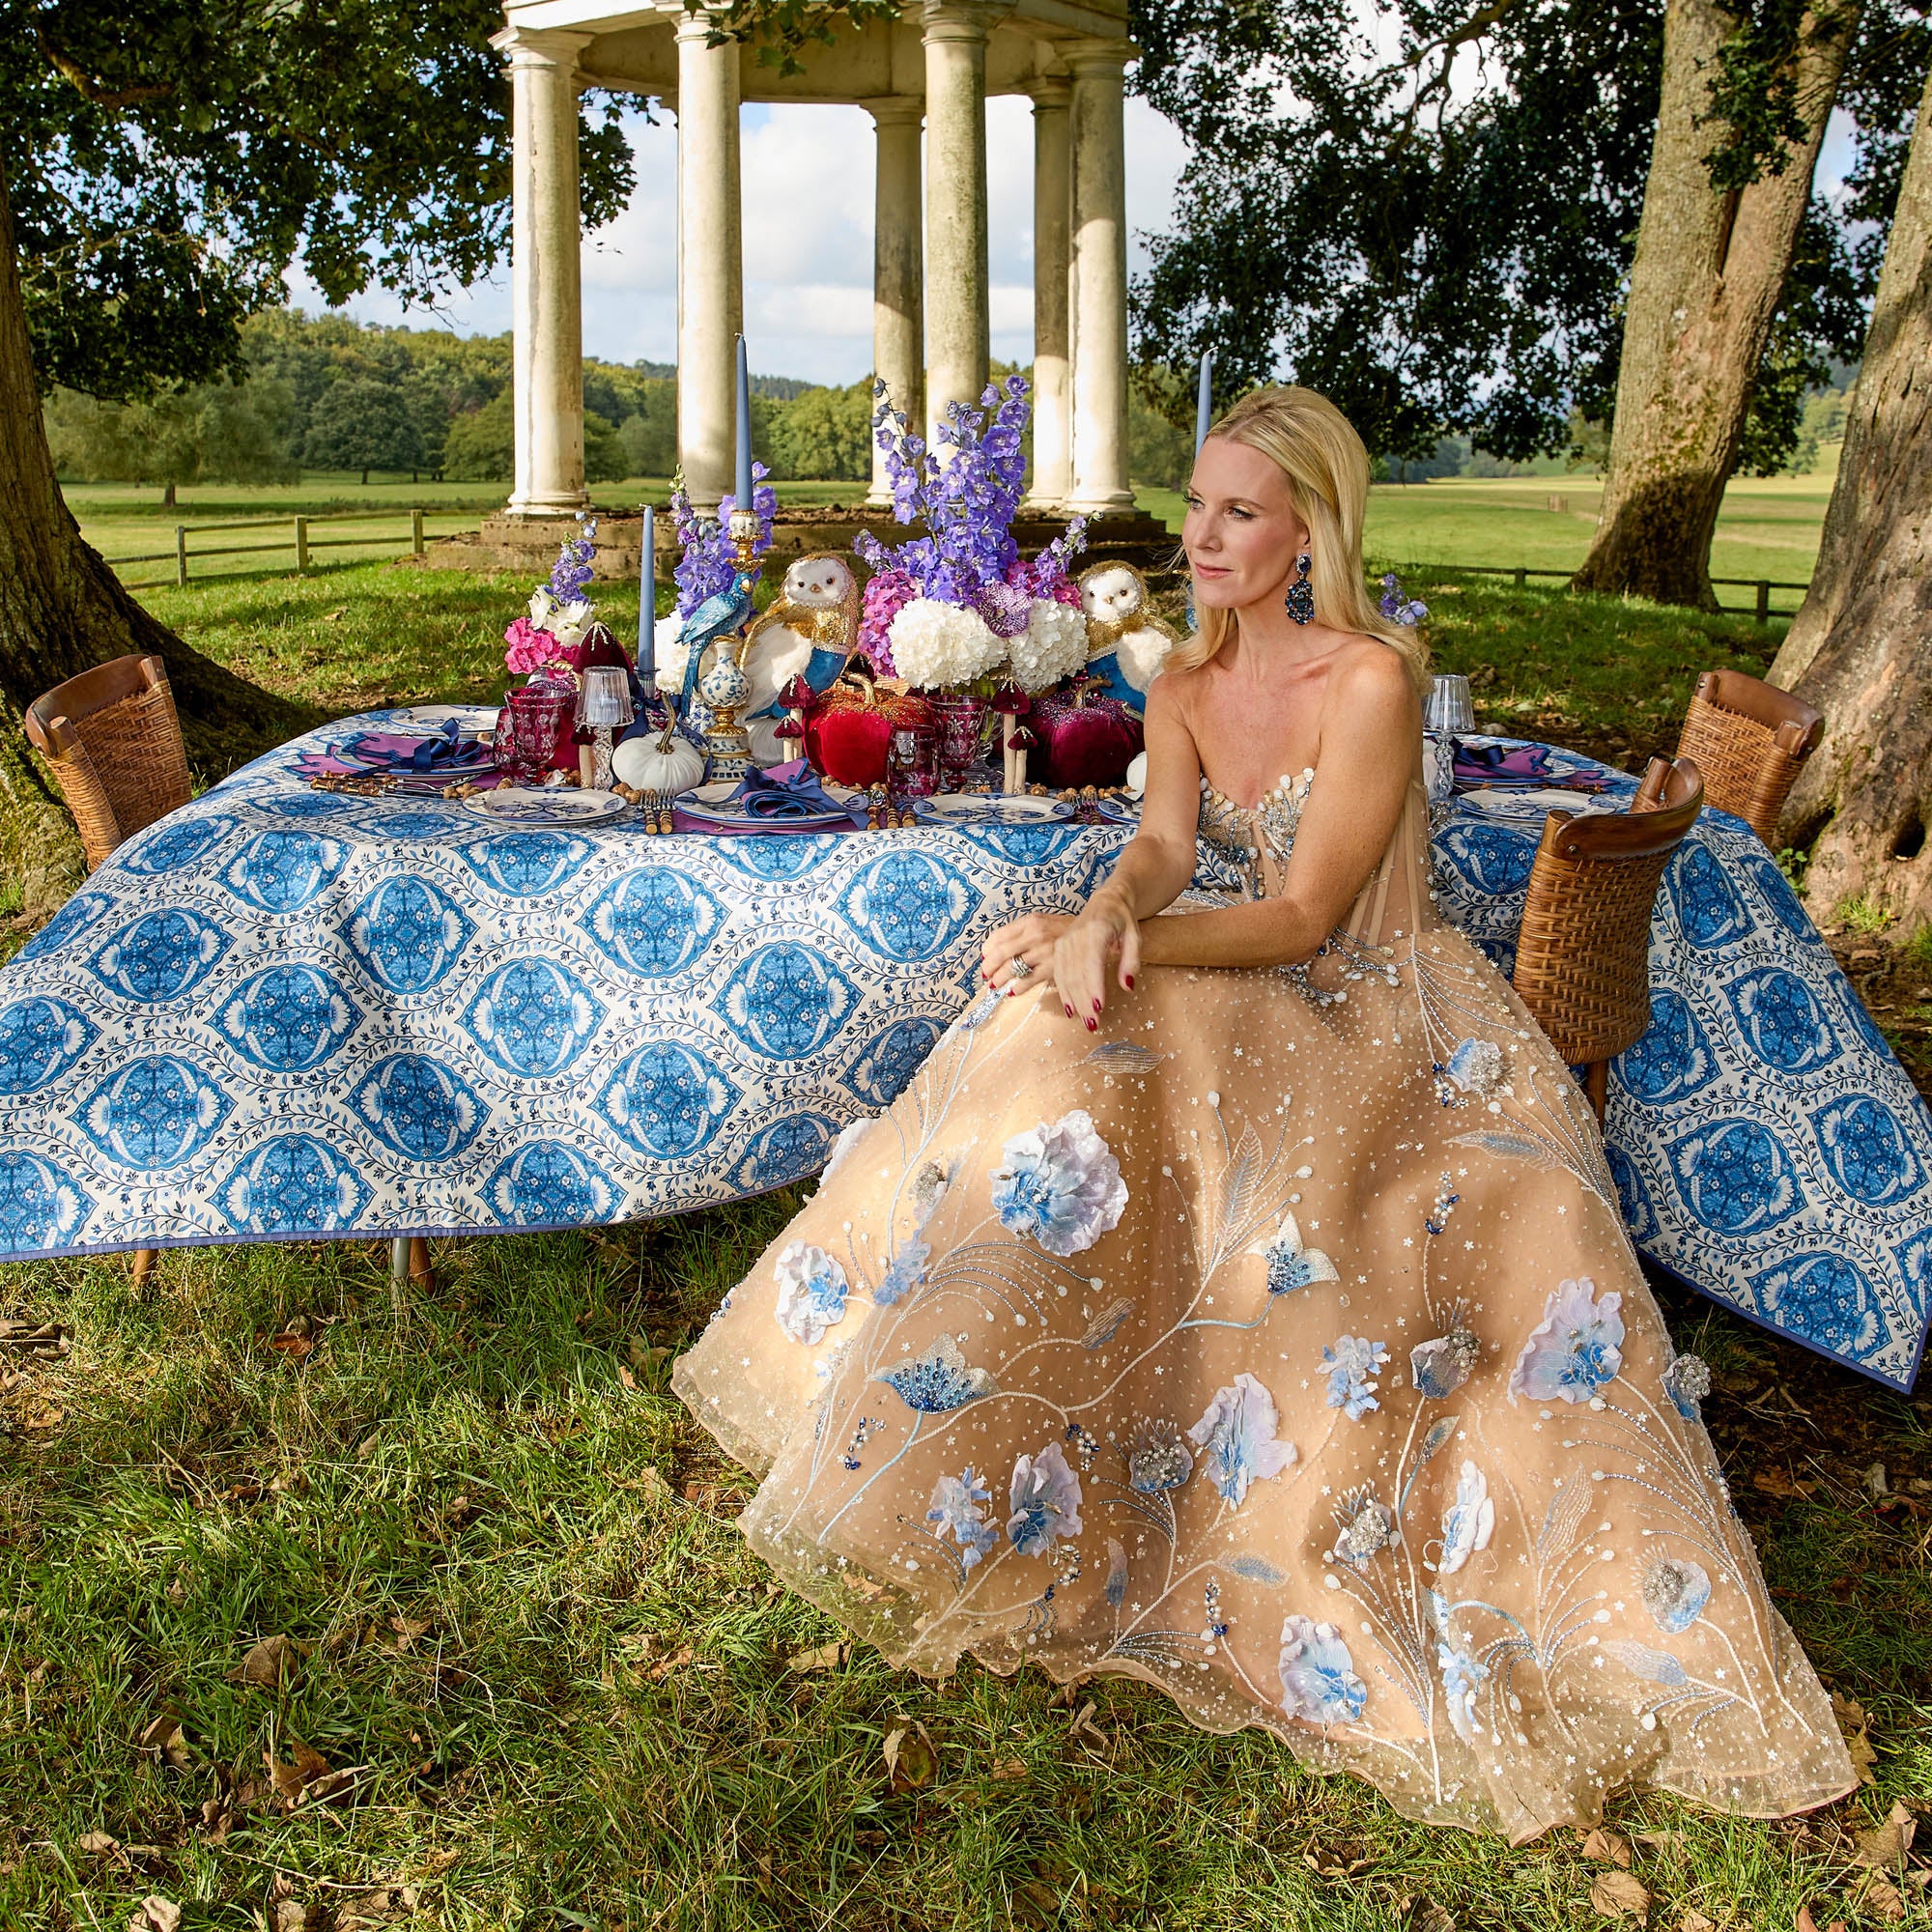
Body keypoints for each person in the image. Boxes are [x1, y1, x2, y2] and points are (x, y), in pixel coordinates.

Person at [671, 386, 1853, 1839]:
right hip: (1258, 988)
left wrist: (1116, 945)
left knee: (1102, 1017)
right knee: (1052, 1039)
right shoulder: (1175, 682)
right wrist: (1103, 909)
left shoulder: (1371, 680)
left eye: (1242, 511)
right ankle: (941, 1423)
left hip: (1385, 1016)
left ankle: (1222, 1490)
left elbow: (1300, 917)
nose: (1203, 534)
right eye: (1198, 504)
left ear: (1310, 533)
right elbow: (1169, 848)